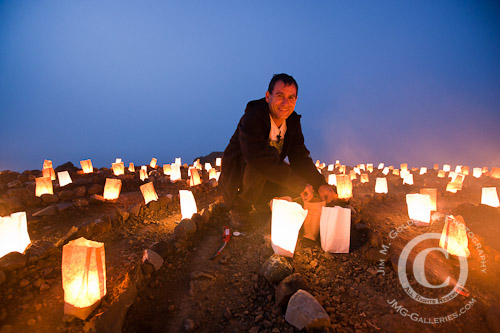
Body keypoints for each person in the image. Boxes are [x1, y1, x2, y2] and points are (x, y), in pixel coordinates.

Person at [219, 73, 336, 227]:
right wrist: (298, 184)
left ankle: (263, 202)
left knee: (297, 194)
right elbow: (256, 156)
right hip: (239, 176)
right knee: (270, 156)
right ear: (268, 96)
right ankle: (241, 207)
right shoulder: (253, 117)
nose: (285, 103)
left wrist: (319, 184)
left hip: (267, 176)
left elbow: (299, 156)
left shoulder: (292, 122)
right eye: (280, 96)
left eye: (291, 97)